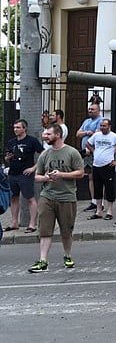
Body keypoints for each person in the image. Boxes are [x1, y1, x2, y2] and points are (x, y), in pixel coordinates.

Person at [28, 124, 84, 272]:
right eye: (45, 134)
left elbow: (80, 173)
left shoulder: (72, 152)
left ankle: (67, 256)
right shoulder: (44, 155)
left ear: (58, 135)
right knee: (45, 230)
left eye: (49, 134)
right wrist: (46, 177)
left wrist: (61, 175)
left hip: (67, 197)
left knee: (66, 230)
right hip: (47, 197)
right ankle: (43, 260)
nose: (46, 137)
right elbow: (37, 176)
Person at [4, 119, 44, 233]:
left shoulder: (31, 141)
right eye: (14, 127)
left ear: (24, 128)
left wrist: (34, 168)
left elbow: (43, 154)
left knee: (30, 198)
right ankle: (14, 222)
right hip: (13, 173)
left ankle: (32, 224)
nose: (15, 130)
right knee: (13, 198)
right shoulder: (11, 142)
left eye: (18, 127)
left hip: (25, 174)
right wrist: (8, 158)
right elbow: (7, 157)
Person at [85, 118, 116, 220]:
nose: (102, 128)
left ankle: (109, 211)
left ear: (109, 126)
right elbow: (88, 143)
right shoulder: (96, 135)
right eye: (101, 126)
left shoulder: (114, 136)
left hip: (108, 165)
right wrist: (94, 151)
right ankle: (99, 211)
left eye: (104, 126)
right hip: (96, 165)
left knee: (109, 188)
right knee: (97, 189)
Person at [76, 103, 104, 213]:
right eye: (89, 109)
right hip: (86, 154)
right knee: (90, 177)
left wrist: (87, 137)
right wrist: (87, 132)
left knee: (97, 177)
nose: (90, 110)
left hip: (95, 153)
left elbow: (97, 134)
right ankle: (94, 201)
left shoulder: (101, 120)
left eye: (92, 109)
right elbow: (78, 134)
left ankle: (99, 202)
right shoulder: (86, 121)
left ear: (98, 110)